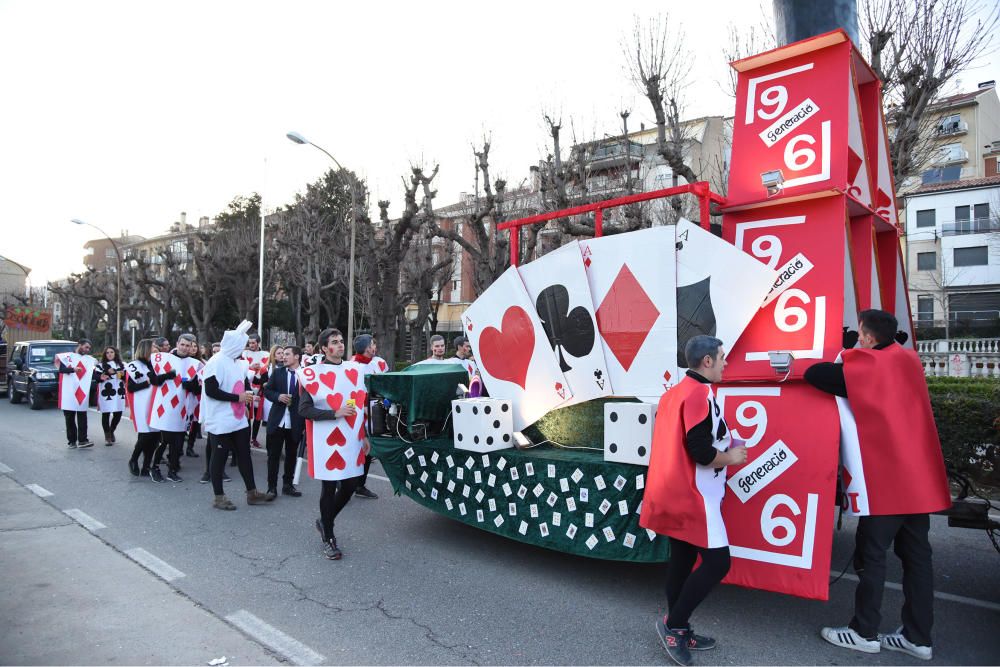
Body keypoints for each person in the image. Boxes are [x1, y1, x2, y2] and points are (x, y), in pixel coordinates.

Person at [804, 310, 951, 661]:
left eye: (859, 336)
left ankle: (863, 631)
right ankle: (918, 637)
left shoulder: (869, 366)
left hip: (887, 483)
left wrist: (843, 351)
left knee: (871, 557)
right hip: (919, 482)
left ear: (868, 338)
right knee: (918, 560)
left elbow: (816, 374)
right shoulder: (907, 360)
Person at [639, 335, 748, 667]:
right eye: (722, 357)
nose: (726, 362)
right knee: (718, 563)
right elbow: (700, 451)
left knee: (682, 560)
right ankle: (673, 626)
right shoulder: (699, 393)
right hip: (694, 495)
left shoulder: (675, 391)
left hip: (672, 491)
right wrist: (730, 456)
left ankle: (680, 626)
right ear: (707, 362)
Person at [299, 328, 371, 559]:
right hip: (325, 440)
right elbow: (304, 410)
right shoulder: (311, 374)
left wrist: (364, 435)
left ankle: (324, 520)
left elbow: (359, 406)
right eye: (334, 342)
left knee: (350, 485)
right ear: (323, 348)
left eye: (341, 341)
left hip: (350, 438)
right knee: (329, 488)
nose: (340, 345)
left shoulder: (355, 370)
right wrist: (334, 413)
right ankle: (329, 537)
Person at [203, 320, 270, 509]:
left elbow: (244, 384)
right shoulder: (215, 362)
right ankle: (219, 497)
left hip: (239, 418)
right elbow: (211, 391)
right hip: (220, 419)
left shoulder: (239, 363)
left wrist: (249, 396)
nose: (245, 349)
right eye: (241, 346)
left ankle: (252, 492)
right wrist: (238, 397)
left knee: (244, 454)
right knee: (220, 456)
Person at [150, 333, 199, 483]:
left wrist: (191, 385)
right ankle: (155, 468)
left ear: (192, 347)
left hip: (183, 408)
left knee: (178, 442)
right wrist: (166, 376)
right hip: (163, 406)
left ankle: (172, 470)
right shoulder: (162, 358)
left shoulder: (195, 364)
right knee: (164, 441)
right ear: (177, 344)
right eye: (182, 344)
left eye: (188, 345)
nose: (185, 348)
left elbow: (198, 390)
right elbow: (153, 381)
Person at [350, 334, 388, 500]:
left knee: (368, 450)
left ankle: (360, 485)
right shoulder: (350, 365)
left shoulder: (380, 362)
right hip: (357, 414)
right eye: (373, 344)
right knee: (353, 450)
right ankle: (344, 483)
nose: (375, 347)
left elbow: (388, 383)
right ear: (366, 347)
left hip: (375, 413)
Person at [263, 346, 304, 499]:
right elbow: (267, 391)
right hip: (277, 421)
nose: (283, 357)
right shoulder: (278, 372)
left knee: (291, 455)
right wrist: (278, 396)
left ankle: (288, 485)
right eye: (283, 354)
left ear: (297, 357)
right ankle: (271, 487)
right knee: (273, 456)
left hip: (296, 422)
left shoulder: (306, 375)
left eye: (287, 354)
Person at [126, 339, 162, 479]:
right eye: (153, 346)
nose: (156, 348)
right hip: (142, 404)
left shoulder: (156, 364)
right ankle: (134, 459)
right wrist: (147, 382)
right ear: (146, 348)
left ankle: (146, 466)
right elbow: (131, 387)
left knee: (154, 437)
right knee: (145, 435)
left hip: (155, 403)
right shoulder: (135, 366)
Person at [57, 338, 94, 449]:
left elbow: (93, 373)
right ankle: (72, 441)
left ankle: (83, 440)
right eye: (86, 347)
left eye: (89, 348)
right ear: (80, 345)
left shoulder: (88, 360)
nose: (87, 350)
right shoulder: (67, 357)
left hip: (81, 391)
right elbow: (62, 370)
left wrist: (100, 377)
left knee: (82, 416)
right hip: (68, 391)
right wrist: (73, 369)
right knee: (69, 418)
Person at [242, 333, 269, 448]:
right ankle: (245, 439)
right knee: (247, 415)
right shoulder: (245, 353)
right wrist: (250, 368)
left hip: (260, 388)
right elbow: (241, 368)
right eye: (250, 343)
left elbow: (268, 369)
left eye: (253, 342)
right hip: (247, 388)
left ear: (258, 343)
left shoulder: (266, 355)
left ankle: (254, 438)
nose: (251, 345)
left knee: (258, 416)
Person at [96, 345, 126, 445]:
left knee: (118, 413)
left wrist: (123, 374)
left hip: (119, 392)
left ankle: (111, 430)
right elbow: (96, 377)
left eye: (111, 352)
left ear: (115, 353)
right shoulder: (101, 365)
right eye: (107, 352)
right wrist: (106, 373)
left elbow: (127, 377)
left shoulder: (122, 364)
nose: (109, 354)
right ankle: (107, 436)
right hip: (106, 392)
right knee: (106, 413)